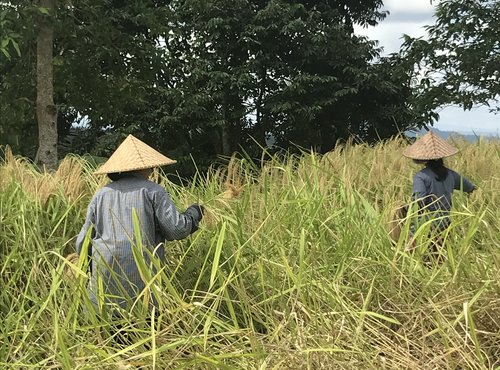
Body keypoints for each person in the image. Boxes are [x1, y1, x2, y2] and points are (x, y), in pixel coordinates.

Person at [75, 134, 203, 314]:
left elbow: (84, 240)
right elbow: (176, 229)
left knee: (106, 328)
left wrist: (88, 267)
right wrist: (194, 213)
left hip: (105, 272)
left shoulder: (101, 194)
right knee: (141, 323)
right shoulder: (154, 191)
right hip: (141, 275)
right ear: (146, 166)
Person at [402, 131, 476, 260]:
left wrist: (405, 209)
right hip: (445, 225)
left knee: (409, 253)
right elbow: (470, 188)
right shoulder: (451, 175)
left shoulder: (421, 176)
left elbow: (419, 202)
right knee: (440, 258)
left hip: (425, 227)